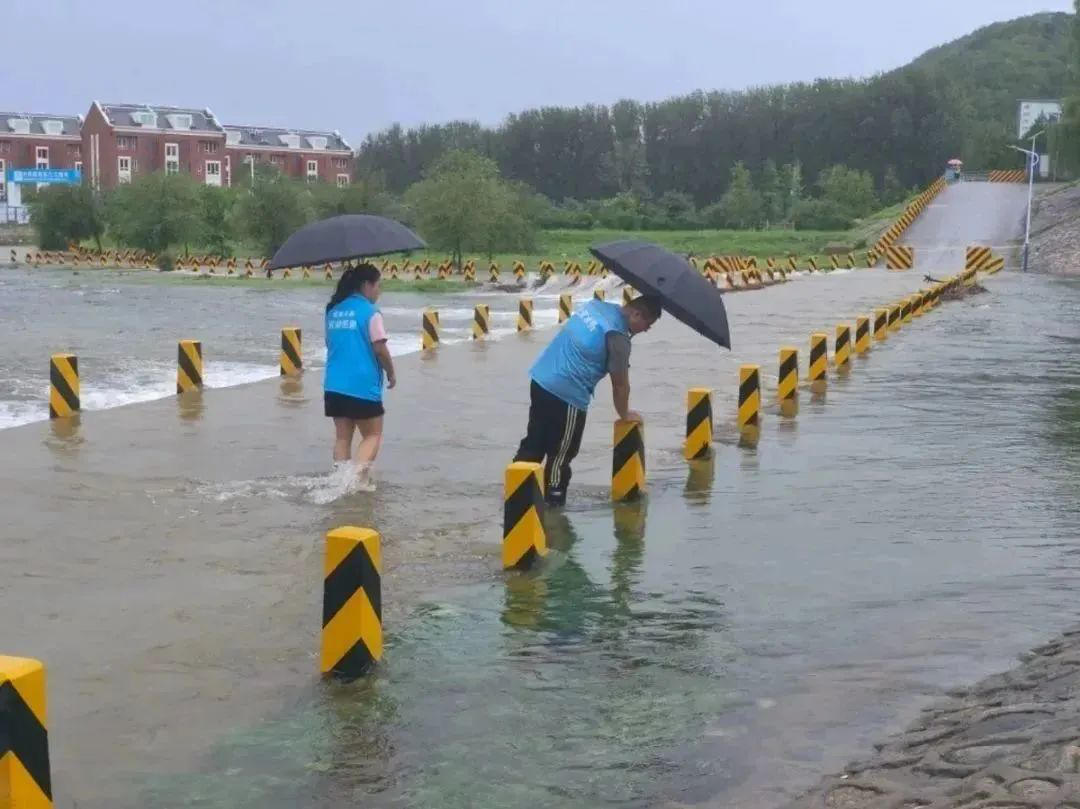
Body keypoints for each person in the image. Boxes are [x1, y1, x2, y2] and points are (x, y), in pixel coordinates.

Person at [514, 294, 662, 506]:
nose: (647, 329)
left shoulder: (596, 306)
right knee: (561, 454)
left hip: (541, 379)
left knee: (534, 443)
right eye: (648, 323)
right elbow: (620, 385)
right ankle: (554, 509)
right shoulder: (617, 337)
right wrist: (624, 414)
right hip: (568, 395)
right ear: (636, 314)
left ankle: (516, 496)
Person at [324, 263, 396, 490]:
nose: (379, 291)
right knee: (373, 435)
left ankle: (339, 480)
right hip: (362, 385)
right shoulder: (370, 313)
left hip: (334, 386)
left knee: (343, 438)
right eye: (378, 285)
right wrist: (391, 373)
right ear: (367, 285)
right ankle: (353, 483)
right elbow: (380, 349)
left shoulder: (333, 310)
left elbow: (330, 344)